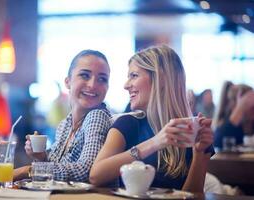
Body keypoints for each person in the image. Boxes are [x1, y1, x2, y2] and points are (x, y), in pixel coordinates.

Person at [89, 45, 214, 192]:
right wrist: (156, 142)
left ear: (160, 78)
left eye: (134, 76)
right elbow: (96, 175)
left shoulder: (192, 132)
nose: (126, 85)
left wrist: (199, 154)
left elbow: (191, 196)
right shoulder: (128, 124)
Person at [14, 49, 112, 182]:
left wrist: (28, 170)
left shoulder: (97, 116)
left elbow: (86, 170)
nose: (93, 85)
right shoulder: (65, 124)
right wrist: (41, 157)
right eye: (85, 75)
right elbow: (57, 167)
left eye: (102, 79)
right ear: (67, 82)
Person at [213, 82, 254, 150]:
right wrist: (240, 108)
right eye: (249, 102)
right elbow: (217, 142)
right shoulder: (225, 125)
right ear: (233, 105)